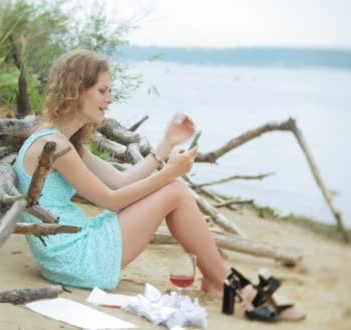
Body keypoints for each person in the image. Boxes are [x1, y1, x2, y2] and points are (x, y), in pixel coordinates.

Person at [14, 49, 226, 297]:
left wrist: (167, 144)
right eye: (102, 91)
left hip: (67, 249)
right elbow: (111, 200)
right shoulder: (55, 145)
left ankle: (217, 280)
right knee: (176, 191)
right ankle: (221, 282)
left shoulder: (61, 140)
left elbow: (120, 181)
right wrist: (169, 174)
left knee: (174, 190)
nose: (110, 99)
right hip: (75, 258)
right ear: (76, 90)